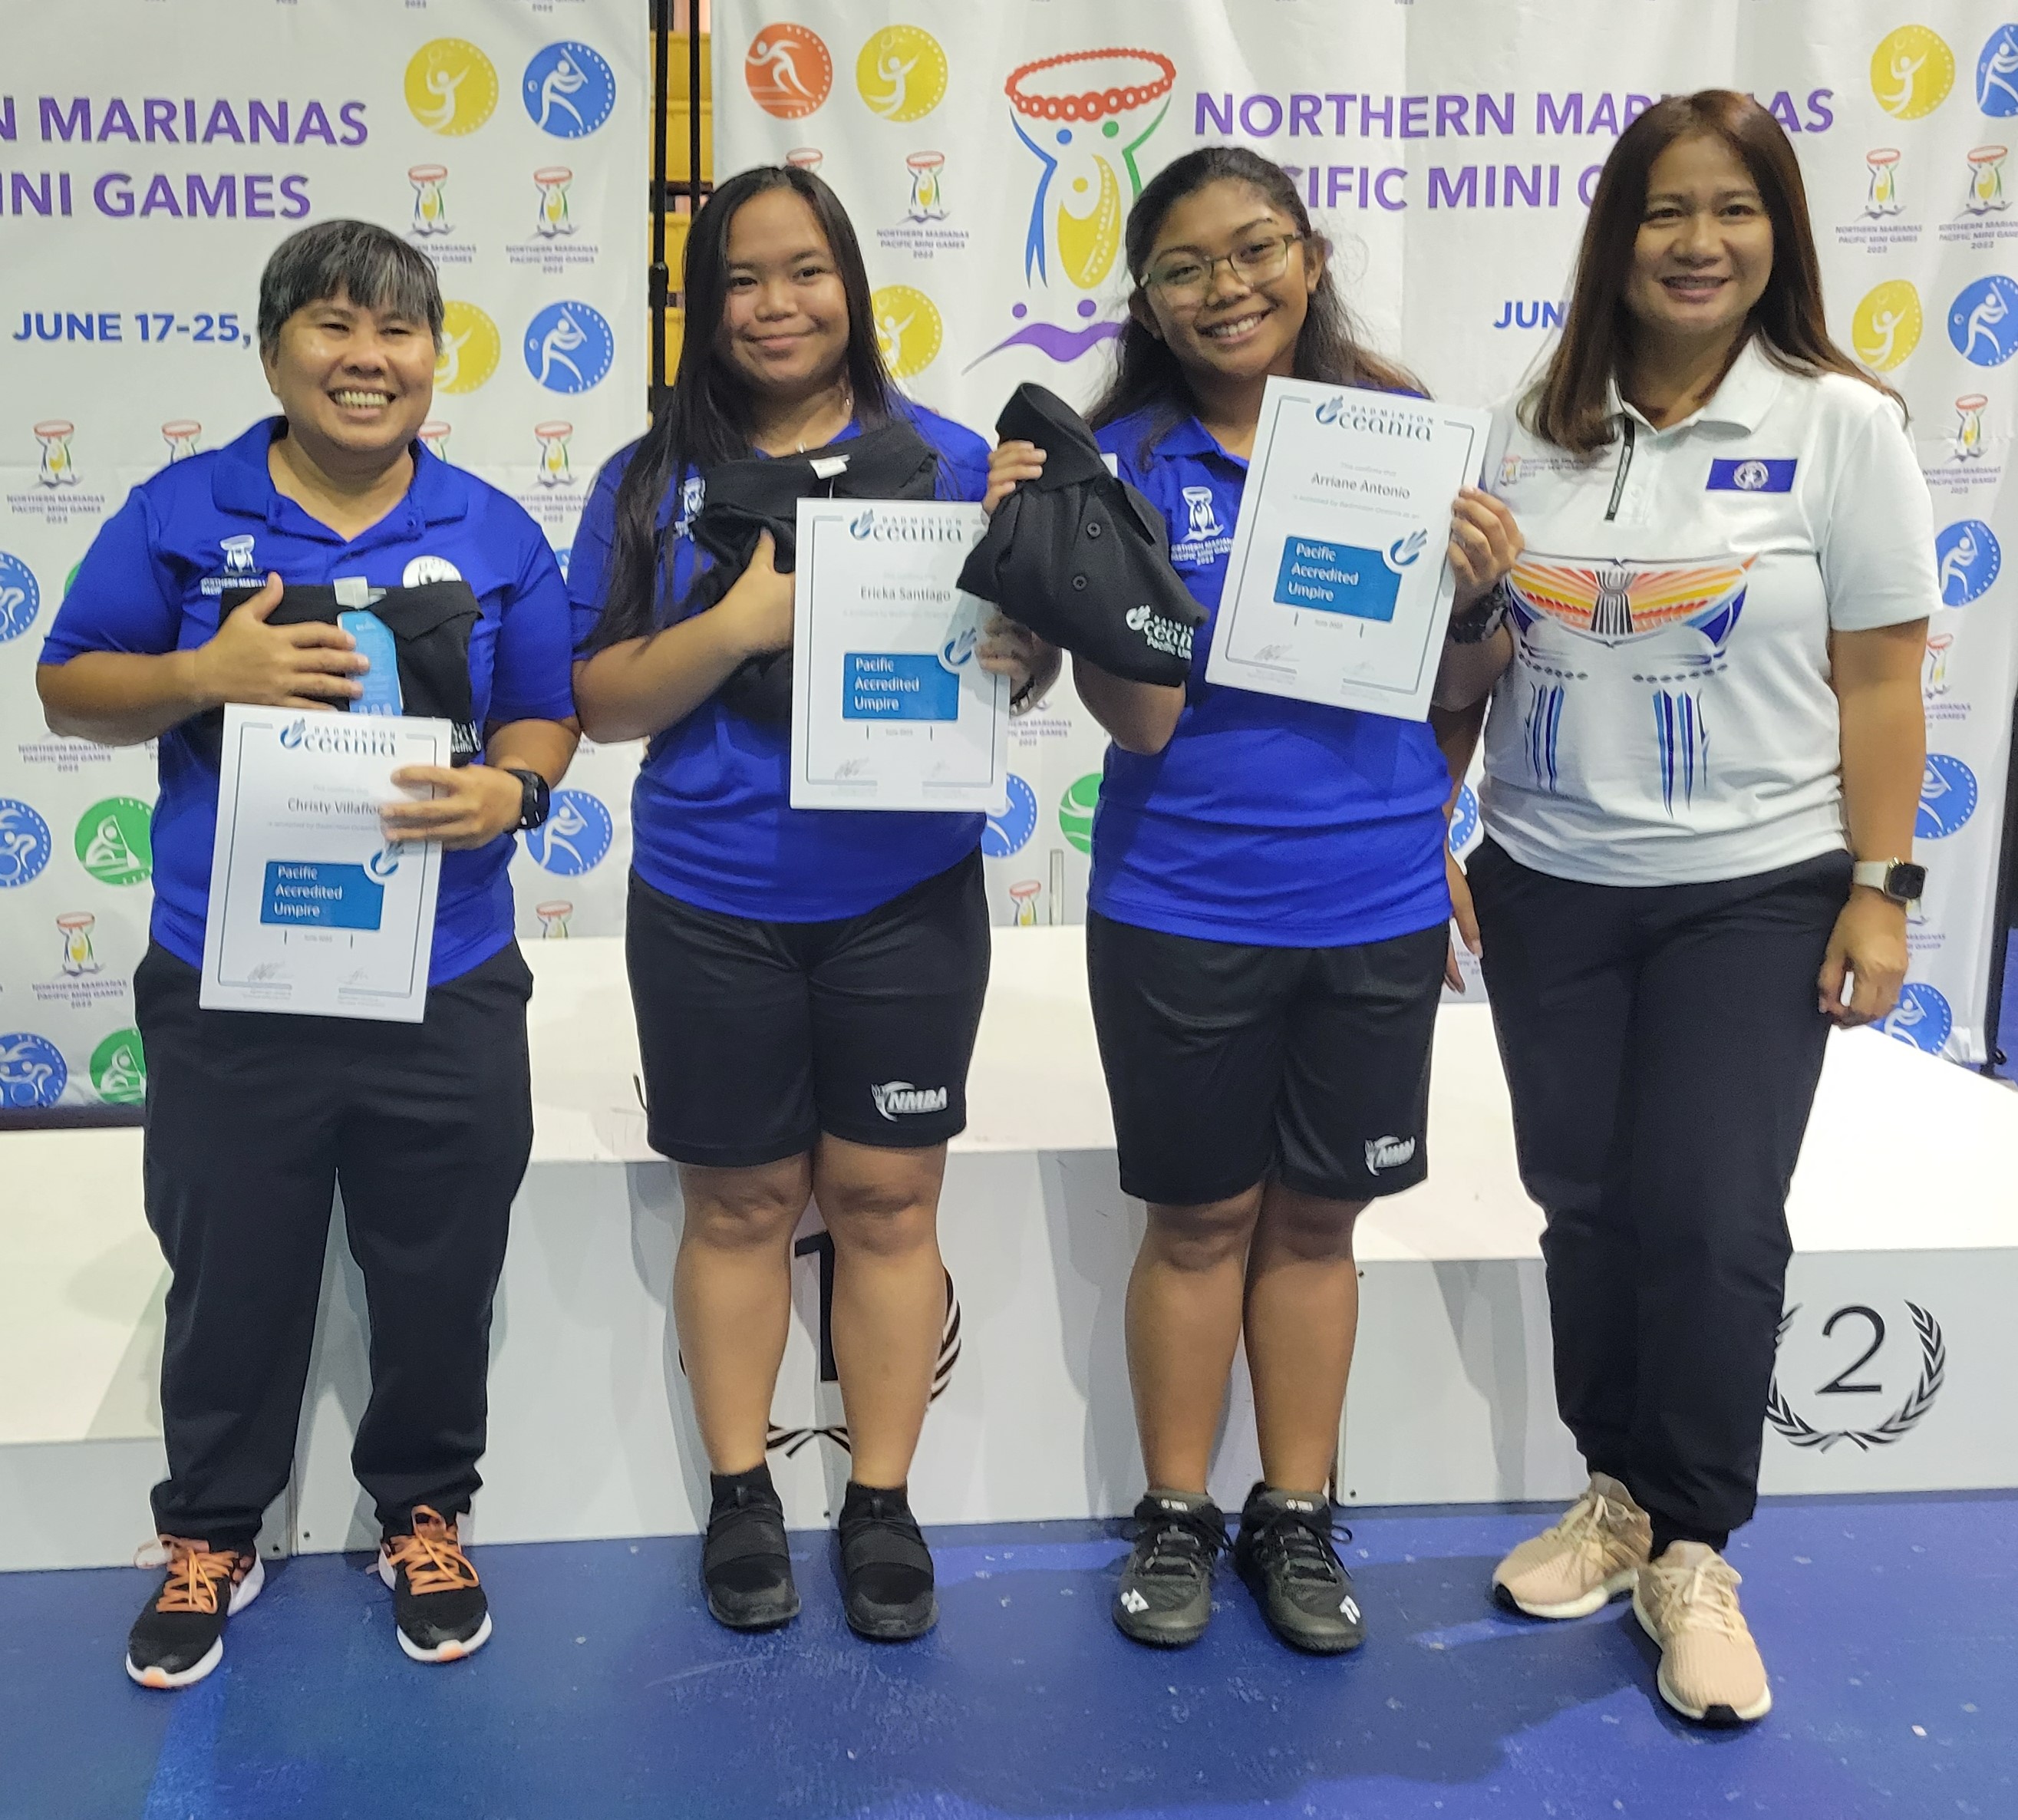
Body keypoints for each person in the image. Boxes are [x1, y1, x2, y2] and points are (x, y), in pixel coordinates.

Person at [1435, 92, 1935, 1726]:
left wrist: (1879, 885)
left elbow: (1879, 679)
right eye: (1665, 210)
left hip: (1755, 888)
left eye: (1733, 210)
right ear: (1615, 232)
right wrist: (1431, 807)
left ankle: (1696, 1548)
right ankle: (1616, 1495)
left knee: (1714, 1216)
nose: (1698, 241)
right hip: (1551, 880)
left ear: (1777, 234)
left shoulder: (1841, 422)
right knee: (1585, 1199)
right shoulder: (1527, 418)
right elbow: (1477, 655)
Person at [984, 146, 1520, 1653]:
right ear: (1146, 301)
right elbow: (1138, 726)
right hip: (1185, 896)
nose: (1228, 286)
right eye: (1184, 266)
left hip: (1368, 892)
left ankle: (1292, 1513)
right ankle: (1175, 1514)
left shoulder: (1396, 428)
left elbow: (1455, 685)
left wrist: (1475, 596)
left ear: (1309, 252)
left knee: (1316, 1223)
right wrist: (1082, 560)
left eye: (1256, 248)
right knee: (1201, 1216)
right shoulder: (1128, 460)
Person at [35, 219, 580, 1686]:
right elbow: (70, 685)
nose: (366, 359)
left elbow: (546, 714)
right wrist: (200, 674)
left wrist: (514, 790)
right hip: (229, 973)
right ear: (275, 350)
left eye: (397, 333)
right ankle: (214, 1531)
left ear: (432, 359)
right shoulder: (178, 509)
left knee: (437, 1267)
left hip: (444, 966)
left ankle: (422, 1511)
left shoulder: (490, 525)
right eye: (333, 328)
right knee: (232, 1270)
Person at [569, 166, 1038, 1643]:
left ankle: (882, 1502)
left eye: (804, 273)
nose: (775, 307)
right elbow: (598, 701)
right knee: (744, 1202)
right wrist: (739, 623)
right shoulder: (652, 480)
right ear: (702, 309)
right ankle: (740, 1495)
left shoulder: (960, 461)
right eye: (740, 282)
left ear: (851, 286)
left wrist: (1031, 618)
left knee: (889, 1197)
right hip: (711, 898)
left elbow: (1027, 662)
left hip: (902, 899)